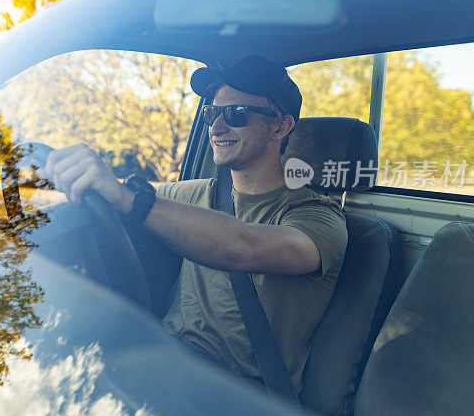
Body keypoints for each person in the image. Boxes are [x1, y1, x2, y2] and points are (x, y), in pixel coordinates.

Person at [39, 56, 348, 393]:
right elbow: (127, 202)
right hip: (162, 364)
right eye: (211, 113)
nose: (216, 128)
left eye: (236, 114)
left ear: (280, 127)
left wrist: (132, 199)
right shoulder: (193, 195)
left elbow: (245, 246)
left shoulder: (318, 217)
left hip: (238, 401)